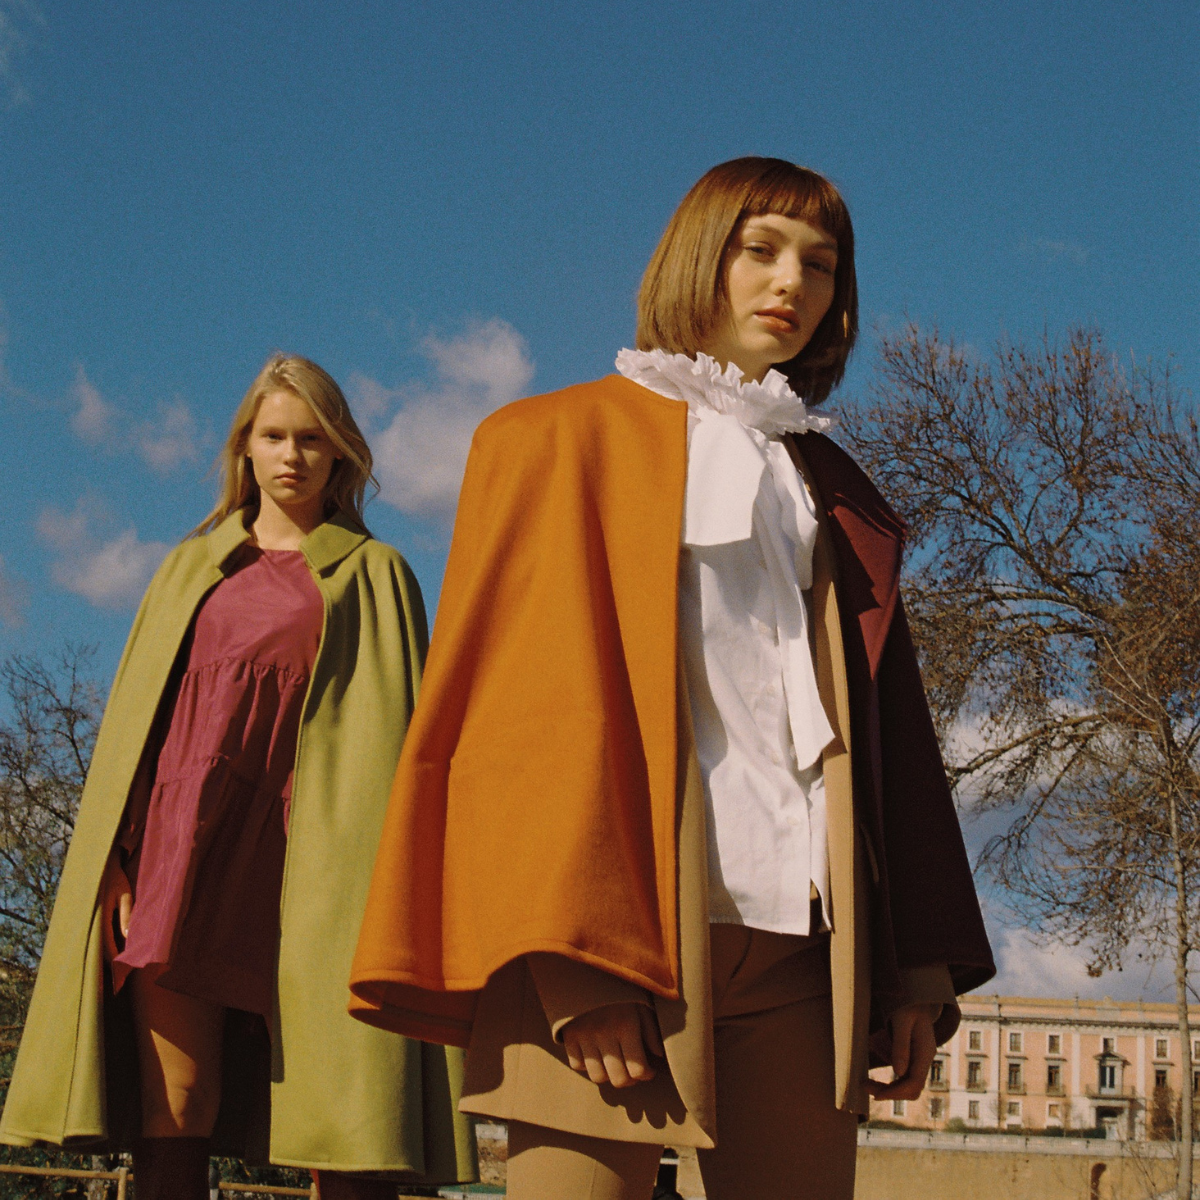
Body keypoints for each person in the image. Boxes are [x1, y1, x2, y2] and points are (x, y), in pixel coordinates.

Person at [348, 158, 996, 1199]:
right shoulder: (551, 440)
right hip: (613, 934)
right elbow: (517, 722)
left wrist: (914, 967)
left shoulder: (836, 490)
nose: (793, 283)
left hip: (803, 951)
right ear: (699, 256)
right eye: (761, 249)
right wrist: (571, 966)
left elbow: (890, 737)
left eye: (822, 264)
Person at [1, 356, 476, 1200]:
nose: (292, 456)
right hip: (182, 856)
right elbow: (139, 731)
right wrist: (114, 862)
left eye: (312, 439)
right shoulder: (189, 570)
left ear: (340, 453)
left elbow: (402, 745)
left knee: (350, 1110)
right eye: (274, 436)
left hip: (322, 872)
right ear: (245, 449)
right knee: (175, 1107)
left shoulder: (377, 575)